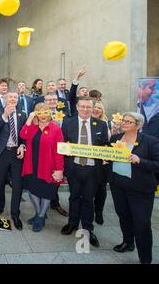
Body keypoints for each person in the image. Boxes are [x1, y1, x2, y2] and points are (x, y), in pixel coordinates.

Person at [109, 112, 159, 264]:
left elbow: (157, 165)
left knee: (142, 223)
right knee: (124, 216)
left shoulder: (150, 142)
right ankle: (128, 242)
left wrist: (140, 160)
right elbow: (111, 157)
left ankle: (145, 258)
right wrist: (107, 159)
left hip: (140, 189)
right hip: (118, 186)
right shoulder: (115, 138)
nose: (124, 123)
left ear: (138, 125)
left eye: (129, 122)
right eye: (123, 120)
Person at [60, 97, 109, 248]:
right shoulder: (68, 123)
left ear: (92, 108)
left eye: (88, 107)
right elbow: (62, 144)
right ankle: (72, 223)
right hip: (74, 167)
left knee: (88, 199)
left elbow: (106, 145)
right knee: (74, 196)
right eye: (82, 106)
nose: (86, 109)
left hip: (92, 169)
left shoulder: (101, 124)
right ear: (77, 106)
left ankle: (88, 228)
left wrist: (107, 152)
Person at [20, 103, 64, 232]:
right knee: (32, 191)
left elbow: (59, 151)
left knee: (46, 192)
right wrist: (29, 119)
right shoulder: (32, 127)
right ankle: (40, 214)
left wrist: (59, 169)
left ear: (49, 113)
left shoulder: (55, 129)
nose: (43, 115)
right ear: (36, 114)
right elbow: (23, 135)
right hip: (32, 165)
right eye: (40, 112)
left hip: (48, 166)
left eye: (45, 111)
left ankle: (39, 217)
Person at [0, 92, 26, 230]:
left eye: (15, 97)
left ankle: (15, 214)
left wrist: (23, 145)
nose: (13, 99)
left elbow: (25, 134)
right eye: (10, 97)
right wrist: (5, 115)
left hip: (17, 155)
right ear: (5, 100)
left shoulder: (22, 114)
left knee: (17, 186)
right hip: (2, 153)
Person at [91, 100, 110, 225]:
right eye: (94, 107)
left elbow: (108, 143)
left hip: (102, 163)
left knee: (101, 189)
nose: (96, 109)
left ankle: (99, 212)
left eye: (99, 108)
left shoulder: (105, 124)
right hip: (87, 161)